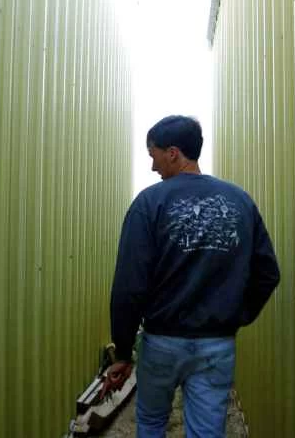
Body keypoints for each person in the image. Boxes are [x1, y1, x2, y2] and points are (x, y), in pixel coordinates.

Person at [104, 115, 280, 438]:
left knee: (153, 423)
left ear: (173, 153)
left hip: (161, 343)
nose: (152, 167)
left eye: (153, 154)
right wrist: (234, 316)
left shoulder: (148, 204)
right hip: (216, 345)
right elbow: (267, 273)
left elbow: (129, 286)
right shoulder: (239, 202)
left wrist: (124, 351)